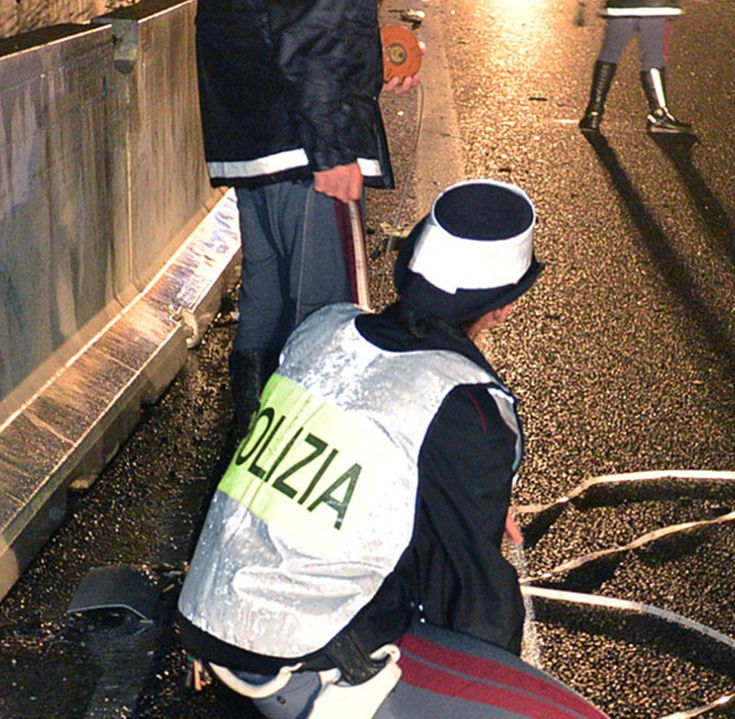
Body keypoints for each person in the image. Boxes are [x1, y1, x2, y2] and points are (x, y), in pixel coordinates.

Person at [177, 180, 603, 718]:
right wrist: (487, 678)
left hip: (211, 617)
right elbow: (466, 586)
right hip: (315, 661)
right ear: (504, 306)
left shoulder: (324, 327)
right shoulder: (466, 402)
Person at [194, 0, 419, 439]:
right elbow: (314, 25)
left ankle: (257, 456)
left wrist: (368, 62)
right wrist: (331, 146)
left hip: (259, 132)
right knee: (327, 319)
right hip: (307, 143)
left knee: (267, 306)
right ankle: (306, 466)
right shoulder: (321, 142)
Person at [577, 0, 693, 135]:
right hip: (655, 6)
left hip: (620, 6)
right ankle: (659, 114)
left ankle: (593, 113)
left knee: (609, 53)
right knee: (653, 56)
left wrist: (582, 4)